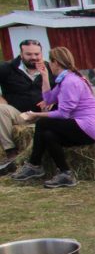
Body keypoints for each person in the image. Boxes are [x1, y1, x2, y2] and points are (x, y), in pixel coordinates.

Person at [10, 47, 95, 189]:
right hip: (83, 127)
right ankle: (65, 174)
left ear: (56, 63)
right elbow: (48, 99)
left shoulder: (70, 81)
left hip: (87, 127)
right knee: (48, 135)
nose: (49, 65)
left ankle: (34, 165)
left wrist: (36, 115)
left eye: (50, 62)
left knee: (43, 123)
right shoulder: (64, 79)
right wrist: (45, 76)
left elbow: (63, 114)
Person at [0, 39, 52, 174]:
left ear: (41, 53)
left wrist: (53, 101)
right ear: (21, 54)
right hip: (20, 114)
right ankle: (11, 152)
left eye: (37, 54)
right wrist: (1, 100)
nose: (33, 57)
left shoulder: (50, 68)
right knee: (0, 109)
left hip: (44, 114)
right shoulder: (7, 68)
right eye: (29, 54)